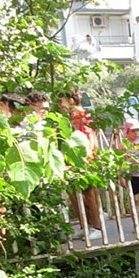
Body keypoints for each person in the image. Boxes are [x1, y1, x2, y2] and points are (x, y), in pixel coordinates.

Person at [59, 88, 104, 241]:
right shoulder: (71, 117)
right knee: (74, 193)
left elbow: (90, 137)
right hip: (74, 161)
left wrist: (88, 157)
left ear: (71, 100)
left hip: (85, 161)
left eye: (61, 101)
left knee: (89, 193)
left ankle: (97, 227)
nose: (60, 105)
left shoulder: (81, 115)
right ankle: (85, 226)